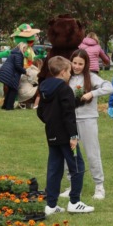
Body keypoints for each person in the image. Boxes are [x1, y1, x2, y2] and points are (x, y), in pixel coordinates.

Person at [35, 56, 86, 216]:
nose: (70, 74)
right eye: (69, 71)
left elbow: (40, 111)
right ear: (63, 72)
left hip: (51, 134)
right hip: (66, 136)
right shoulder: (64, 89)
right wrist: (73, 135)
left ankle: (51, 205)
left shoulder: (44, 86)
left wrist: (50, 123)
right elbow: (68, 114)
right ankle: (75, 202)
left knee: (54, 168)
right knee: (77, 166)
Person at [64, 48, 112, 202]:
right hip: (70, 121)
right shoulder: (67, 78)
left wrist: (92, 93)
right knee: (70, 154)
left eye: (80, 64)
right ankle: (71, 184)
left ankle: (99, 185)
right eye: (74, 63)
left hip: (88, 119)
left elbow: (109, 87)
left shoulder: (91, 77)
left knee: (92, 153)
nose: (77, 66)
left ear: (86, 65)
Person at [0, 39, 28, 111]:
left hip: (7, 72)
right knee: (13, 90)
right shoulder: (19, 54)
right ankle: (9, 107)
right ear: (23, 48)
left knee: (10, 89)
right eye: (25, 48)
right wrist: (25, 71)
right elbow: (18, 66)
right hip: (12, 73)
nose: (25, 50)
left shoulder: (14, 53)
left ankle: (5, 105)